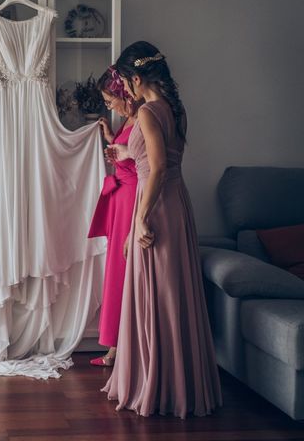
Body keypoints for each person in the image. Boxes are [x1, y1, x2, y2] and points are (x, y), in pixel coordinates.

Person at [101, 42, 222, 418]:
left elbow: (156, 169)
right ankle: (179, 383)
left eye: (126, 82)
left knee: (157, 296)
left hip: (156, 206)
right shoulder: (176, 110)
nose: (127, 90)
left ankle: (157, 385)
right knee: (172, 296)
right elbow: (160, 158)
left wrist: (139, 219)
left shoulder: (150, 112)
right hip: (176, 206)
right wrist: (123, 153)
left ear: (137, 78)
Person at [87, 66, 139, 367]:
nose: (108, 106)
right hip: (119, 198)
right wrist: (111, 138)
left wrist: (122, 151)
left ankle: (121, 348)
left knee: (124, 270)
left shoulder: (144, 118)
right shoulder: (127, 120)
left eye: (110, 100)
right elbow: (126, 154)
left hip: (131, 198)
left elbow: (142, 161)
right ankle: (116, 346)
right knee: (116, 270)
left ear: (124, 95)